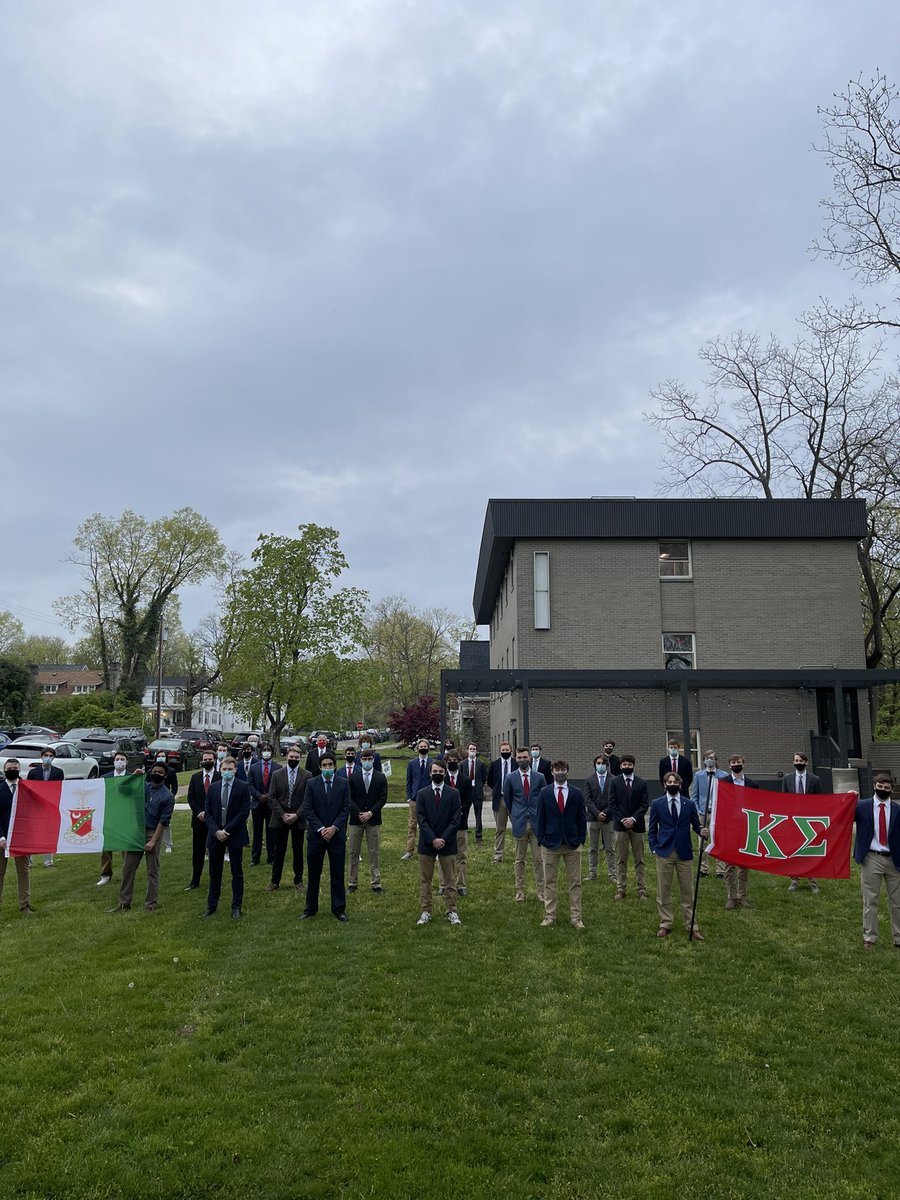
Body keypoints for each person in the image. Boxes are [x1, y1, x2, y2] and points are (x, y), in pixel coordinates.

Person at [108, 764, 175, 913]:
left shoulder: (167, 796)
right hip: (136, 832)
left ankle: (150, 904)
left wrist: (153, 840)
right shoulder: (142, 787)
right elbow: (121, 788)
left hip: (153, 832)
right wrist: (133, 776)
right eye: (155, 771)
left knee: (152, 870)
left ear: (165, 776)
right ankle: (124, 902)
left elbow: (163, 821)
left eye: (160, 772)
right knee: (128, 868)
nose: (156, 774)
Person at [648, 772, 705, 940]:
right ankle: (665, 923)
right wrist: (654, 848)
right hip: (664, 851)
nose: (672, 784)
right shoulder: (657, 804)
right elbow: (652, 830)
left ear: (680, 785)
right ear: (665, 785)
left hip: (684, 852)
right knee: (663, 890)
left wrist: (702, 831)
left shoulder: (689, 804)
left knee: (687, 891)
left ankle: (692, 925)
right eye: (669, 782)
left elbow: (695, 825)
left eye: (675, 782)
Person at [534, 760, 587, 928]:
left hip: (572, 843)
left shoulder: (577, 793)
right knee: (549, 882)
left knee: (575, 882)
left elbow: (581, 818)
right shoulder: (545, 793)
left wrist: (581, 839)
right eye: (557, 769)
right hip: (550, 844)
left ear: (567, 772)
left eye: (563, 769)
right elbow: (540, 818)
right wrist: (541, 838)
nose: (560, 772)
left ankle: (576, 917)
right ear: (552, 772)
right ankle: (550, 916)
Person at [299, 753, 350, 922]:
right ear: (320, 767)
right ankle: (310, 908)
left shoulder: (343, 784)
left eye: (330, 765)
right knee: (314, 873)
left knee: (337, 873)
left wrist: (334, 828)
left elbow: (345, 809)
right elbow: (308, 809)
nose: (327, 768)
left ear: (335, 766)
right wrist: (321, 828)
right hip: (316, 836)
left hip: (336, 836)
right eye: (324, 765)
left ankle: (338, 908)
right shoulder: (311, 784)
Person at [854, 774, 900, 950]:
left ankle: (898, 939)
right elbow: (843, 817)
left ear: (892, 790)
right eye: (880, 786)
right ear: (874, 785)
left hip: (894, 859)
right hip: (871, 857)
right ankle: (870, 938)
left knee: (897, 901)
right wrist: (848, 799)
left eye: (887, 788)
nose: (883, 790)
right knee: (870, 899)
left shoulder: (897, 810)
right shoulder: (862, 806)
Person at [203, 756, 251, 918]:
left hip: (235, 834)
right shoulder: (214, 787)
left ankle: (236, 906)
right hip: (215, 835)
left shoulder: (243, 787)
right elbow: (208, 812)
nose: (227, 772)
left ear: (235, 770)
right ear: (220, 770)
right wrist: (216, 831)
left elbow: (243, 812)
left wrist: (227, 831)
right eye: (224, 769)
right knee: (214, 873)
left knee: (236, 872)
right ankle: (211, 906)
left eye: (230, 769)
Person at [415, 760, 462, 926]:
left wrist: (443, 838)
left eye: (441, 772)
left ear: (445, 773)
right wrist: (433, 839)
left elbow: (456, 820)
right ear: (430, 773)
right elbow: (421, 819)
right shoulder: (422, 794)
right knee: (425, 880)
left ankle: (452, 910)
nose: (437, 774)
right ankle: (426, 910)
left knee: (450, 880)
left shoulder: (453, 793)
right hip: (427, 843)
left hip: (447, 843)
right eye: (434, 771)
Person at [266, 745, 310, 893]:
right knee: (279, 851)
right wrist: (283, 814)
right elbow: (271, 798)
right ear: (286, 757)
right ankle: (275, 881)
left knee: (298, 851)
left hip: (298, 818)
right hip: (280, 818)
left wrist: (297, 814)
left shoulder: (307, 775)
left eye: (296, 758)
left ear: (300, 759)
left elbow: (307, 799)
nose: (293, 760)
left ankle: (298, 880)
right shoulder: (277, 774)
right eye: (291, 757)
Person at [505, 748, 545, 903]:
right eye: (519, 757)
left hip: (536, 823)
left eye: (525, 757)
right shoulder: (510, 778)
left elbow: (544, 798)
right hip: (520, 822)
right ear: (516, 759)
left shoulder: (539, 777)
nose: (522, 760)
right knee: (519, 860)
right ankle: (520, 891)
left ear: (530, 758)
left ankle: (541, 891)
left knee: (538, 860)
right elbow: (508, 800)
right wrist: (515, 816)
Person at [608, 754, 650, 901]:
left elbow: (644, 804)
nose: (627, 767)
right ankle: (621, 888)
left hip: (637, 825)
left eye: (629, 765)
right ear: (620, 766)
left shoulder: (641, 783)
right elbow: (612, 803)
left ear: (633, 765)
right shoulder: (614, 782)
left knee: (639, 859)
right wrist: (622, 819)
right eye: (624, 765)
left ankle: (641, 889)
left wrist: (633, 819)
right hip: (620, 827)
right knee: (621, 859)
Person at [720, 754, 759, 910]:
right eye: (733, 763)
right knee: (729, 863)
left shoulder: (752, 784)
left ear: (743, 763)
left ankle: (742, 896)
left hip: (746, 826)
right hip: (729, 826)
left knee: (744, 863)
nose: (736, 764)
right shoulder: (723, 783)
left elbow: (757, 804)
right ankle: (731, 896)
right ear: (729, 765)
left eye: (739, 762)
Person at [348, 749, 387, 894]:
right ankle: (352, 882)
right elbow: (349, 798)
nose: (367, 761)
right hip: (355, 820)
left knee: (374, 851)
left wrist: (370, 813)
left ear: (373, 760)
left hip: (373, 819)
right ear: (360, 760)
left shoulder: (380, 777)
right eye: (364, 759)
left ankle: (376, 883)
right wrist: (358, 813)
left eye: (369, 758)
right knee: (353, 851)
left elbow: (382, 798)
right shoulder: (353, 777)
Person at [783, 753, 823, 895]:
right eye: (796, 760)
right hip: (793, 820)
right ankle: (794, 879)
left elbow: (820, 800)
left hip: (809, 820)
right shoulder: (787, 779)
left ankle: (813, 880)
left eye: (800, 760)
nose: (798, 762)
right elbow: (783, 799)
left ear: (806, 762)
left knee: (811, 850)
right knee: (794, 849)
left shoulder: (815, 779)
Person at [0, 759, 33, 914]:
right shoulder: (0, 789)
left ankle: (24, 904)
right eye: (9, 768)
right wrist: (1, 837)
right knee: (0, 871)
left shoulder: (27, 789)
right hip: (2, 838)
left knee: (23, 871)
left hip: (22, 838)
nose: (12, 770)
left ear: (20, 770)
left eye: (15, 768)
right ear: (4, 770)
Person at [689, 751, 728, 878]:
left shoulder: (724, 775)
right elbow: (694, 795)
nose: (709, 760)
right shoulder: (699, 775)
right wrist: (697, 809)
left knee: (718, 841)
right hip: (703, 812)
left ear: (716, 760)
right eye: (707, 758)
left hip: (718, 812)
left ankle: (720, 870)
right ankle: (703, 869)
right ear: (704, 760)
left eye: (712, 758)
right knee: (702, 842)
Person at [185, 751, 220, 891]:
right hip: (198, 820)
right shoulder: (195, 777)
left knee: (214, 851)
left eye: (210, 759)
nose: (207, 761)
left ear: (214, 760)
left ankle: (214, 880)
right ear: (201, 761)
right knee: (197, 852)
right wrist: (199, 812)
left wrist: (209, 813)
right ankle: (195, 880)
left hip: (214, 821)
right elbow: (191, 797)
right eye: (205, 759)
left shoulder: (219, 777)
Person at [97, 751, 133, 886]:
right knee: (106, 847)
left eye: (122, 759)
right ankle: (106, 874)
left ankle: (126, 872)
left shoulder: (132, 778)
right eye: (117, 759)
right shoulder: (105, 778)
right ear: (113, 762)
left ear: (126, 762)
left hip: (125, 817)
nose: (119, 761)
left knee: (125, 847)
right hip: (109, 816)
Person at [27, 749, 64, 867]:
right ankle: (29, 861)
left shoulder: (58, 772)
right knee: (33, 833)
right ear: (41, 756)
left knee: (49, 833)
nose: (48, 757)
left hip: (50, 806)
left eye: (50, 755)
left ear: (53, 757)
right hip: (36, 807)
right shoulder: (33, 772)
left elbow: (60, 788)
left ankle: (48, 861)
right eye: (46, 755)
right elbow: (29, 788)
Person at [583, 753, 616, 883]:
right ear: (594, 765)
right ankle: (592, 873)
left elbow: (614, 799)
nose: (600, 766)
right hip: (592, 818)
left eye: (603, 763)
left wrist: (606, 812)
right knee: (592, 848)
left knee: (610, 848)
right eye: (598, 763)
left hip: (609, 819)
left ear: (607, 765)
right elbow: (587, 799)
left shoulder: (613, 779)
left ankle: (612, 874)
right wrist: (597, 813)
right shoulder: (589, 780)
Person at [247, 744, 279, 866]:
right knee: (257, 833)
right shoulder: (254, 767)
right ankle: (255, 858)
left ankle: (271, 858)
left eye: (269, 750)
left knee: (271, 833)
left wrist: (268, 796)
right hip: (257, 804)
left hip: (271, 805)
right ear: (260, 753)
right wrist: (258, 795)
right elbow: (250, 784)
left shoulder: (277, 767)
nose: (266, 752)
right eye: (264, 750)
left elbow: (278, 786)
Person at [443, 752, 470, 896]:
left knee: (461, 855)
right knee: (444, 856)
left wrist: (458, 811)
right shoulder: (442, 779)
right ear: (446, 762)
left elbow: (467, 800)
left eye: (455, 760)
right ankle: (444, 884)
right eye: (450, 760)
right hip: (444, 824)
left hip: (460, 823)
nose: (453, 762)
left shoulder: (465, 781)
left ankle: (460, 884)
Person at [403, 740, 434, 860]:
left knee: (429, 824)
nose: (423, 748)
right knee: (412, 825)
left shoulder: (433, 762)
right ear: (417, 748)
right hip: (415, 798)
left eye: (425, 746)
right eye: (421, 746)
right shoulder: (412, 763)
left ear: (428, 748)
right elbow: (409, 781)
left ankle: (430, 848)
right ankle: (409, 851)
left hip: (428, 798)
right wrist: (409, 797)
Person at [486, 741, 514, 862]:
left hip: (514, 800)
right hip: (500, 799)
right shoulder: (494, 765)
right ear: (500, 751)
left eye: (507, 750)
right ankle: (498, 855)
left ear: (511, 750)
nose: (505, 752)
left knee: (519, 828)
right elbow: (490, 781)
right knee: (500, 829)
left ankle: (519, 855)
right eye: (503, 750)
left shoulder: (516, 764)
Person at [462, 743, 488, 843]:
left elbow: (483, 777)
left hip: (477, 791)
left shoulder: (481, 764)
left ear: (476, 751)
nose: (472, 750)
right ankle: (463, 834)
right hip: (466, 792)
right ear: (467, 751)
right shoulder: (463, 764)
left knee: (478, 814)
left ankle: (478, 836)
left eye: (474, 749)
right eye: (470, 749)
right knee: (464, 814)